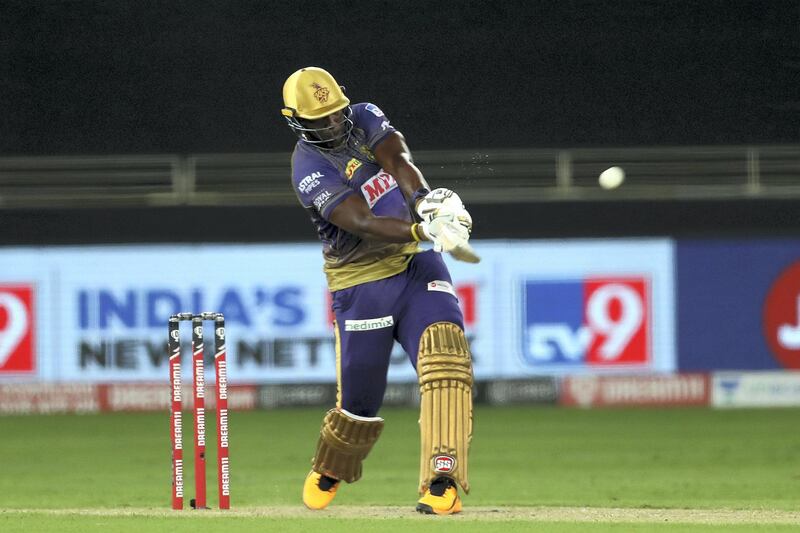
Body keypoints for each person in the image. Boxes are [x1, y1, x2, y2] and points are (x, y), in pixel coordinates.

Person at [281, 66, 476, 515]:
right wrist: (420, 228)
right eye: (320, 121)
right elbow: (362, 222)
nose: (332, 125)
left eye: (336, 114)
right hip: (360, 282)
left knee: (446, 357)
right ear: (296, 121)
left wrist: (426, 201)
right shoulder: (308, 167)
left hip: (415, 265)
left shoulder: (364, 115)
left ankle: (441, 478)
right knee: (359, 403)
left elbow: (397, 159)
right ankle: (331, 466)